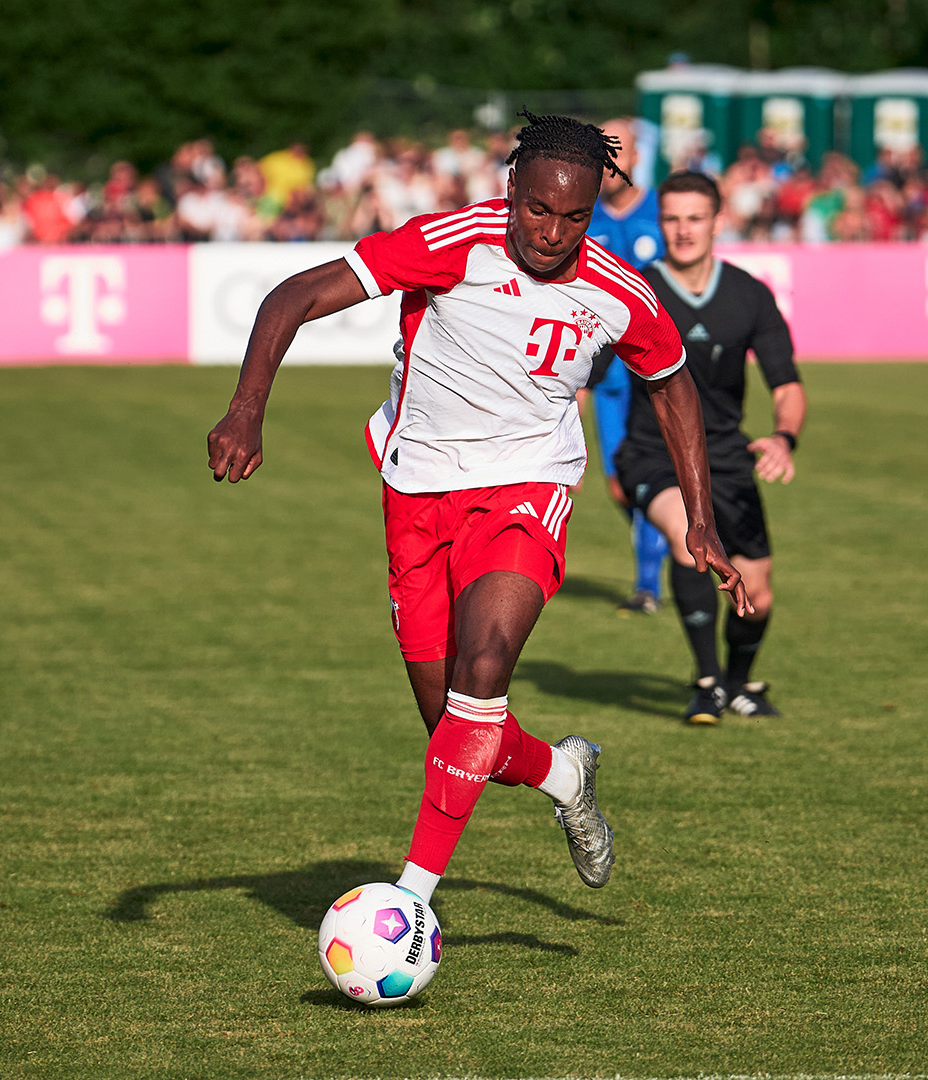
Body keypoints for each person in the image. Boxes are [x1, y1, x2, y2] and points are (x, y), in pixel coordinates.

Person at [208, 112, 750, 905]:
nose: (553, 231)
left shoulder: (615, 288)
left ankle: (410, 901)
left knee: (486, 666)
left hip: (528, 488)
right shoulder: (448, 242)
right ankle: (565, 774)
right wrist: (246, 408)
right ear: (511, 189)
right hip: (417, 492)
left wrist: (699, 517)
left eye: (574, 216)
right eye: (537, 209)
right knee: (457, 740)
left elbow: (671, 381)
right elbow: (293, 295)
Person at [608, 172, 806, 724]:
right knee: (685, 537)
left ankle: (739, 684)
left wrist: (784, 438)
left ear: (718, 222)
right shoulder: (631, 292)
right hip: (653, 454)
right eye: (671, 218)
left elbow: (787, 386)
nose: (683, 230)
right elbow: (581, 379)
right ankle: (707, 682)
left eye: (695, 218)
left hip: (726, 459)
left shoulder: (749, 295)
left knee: (758, 597)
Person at [580, 117, 671, 614]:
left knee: (649, 476)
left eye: (617, 150)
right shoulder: (582, 216)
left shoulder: (665, 214)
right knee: (618, 483)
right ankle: (667, 543)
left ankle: (648, 585)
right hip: (605, 376)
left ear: (635, 157)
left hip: (654, 373)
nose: (609, 161)